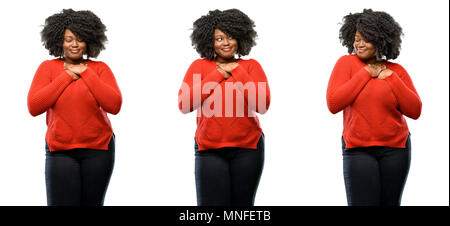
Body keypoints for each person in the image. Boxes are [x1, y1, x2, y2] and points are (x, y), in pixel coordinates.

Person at [326, 9, 422, 206]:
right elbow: (334, 104)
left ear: (380, 40)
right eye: (356, 39)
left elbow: (415, 111)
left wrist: (392, 79)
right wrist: (365, 73)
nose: (358, 44)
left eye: (365, 39)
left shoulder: (397, 71)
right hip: (358, 150)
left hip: (396, 150)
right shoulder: (346, 64)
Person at [27, 9, 122, 206]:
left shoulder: (100, 69)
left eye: (80, 39)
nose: (74, 44)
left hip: (99, 150)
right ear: (59, 41)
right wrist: (67, 75)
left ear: (89, 41)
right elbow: (34, 106)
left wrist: (86, 73)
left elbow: (114, 105)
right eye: (68, 39)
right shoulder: (48, 68)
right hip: (60, 150)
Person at [178, 9, 271, 206]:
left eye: (230, 37)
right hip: (209, 149)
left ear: (240, 38)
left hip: (248, 149)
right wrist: (219, 73)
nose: (226, 43)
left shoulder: (252, 66)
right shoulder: (199, 67)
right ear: (209, 41)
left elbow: (262, 105)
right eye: (219, 38)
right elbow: (184, 105)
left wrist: (237, 70)